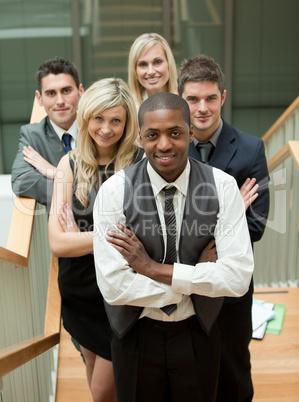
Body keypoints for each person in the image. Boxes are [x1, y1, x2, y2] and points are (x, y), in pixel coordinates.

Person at [93, 92, 254, 402]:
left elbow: (237, 279)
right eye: (152, 135)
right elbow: (114, 286)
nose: (164, 144)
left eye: (175, 133)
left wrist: (154, 270)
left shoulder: (222, 187)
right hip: (135, 334)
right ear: (140, 138)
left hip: (198, 333)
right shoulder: (115, 190)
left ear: (191, 133)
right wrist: (196, 281)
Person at [178, 54, 270, 402]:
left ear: (223, 97)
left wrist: (197, 231)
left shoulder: (250, 148)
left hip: (231, 287)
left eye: (210, 98)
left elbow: (257, 224)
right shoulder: (167, 147)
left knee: (233, 373)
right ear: (181, 99)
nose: (202, 108)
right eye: (193, 99)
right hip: (183, 284)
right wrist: (229, 209)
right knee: (190, 374)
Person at [48, 77, 143, 402]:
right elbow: (58, 244)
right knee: (91, 365)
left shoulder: (139, 164)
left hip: (118, 295)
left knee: (103, 391)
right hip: (78, 291)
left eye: (116, 120)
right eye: (99, 118)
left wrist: (83, 237)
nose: (106, 128)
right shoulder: (68, 163)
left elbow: (142, 236)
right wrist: (108, 236)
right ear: (86, 117)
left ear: (127, 122)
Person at [11, 56, 84, 213]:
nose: (60, 101)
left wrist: (56, 173)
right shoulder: (32, 135)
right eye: (51, 93)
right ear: (39, 98)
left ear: (80, 91)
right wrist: (77, 190)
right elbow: (21, 181)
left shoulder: (98, 129)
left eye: (66, 91)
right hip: (61, 233)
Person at [128, 32, 178, 110]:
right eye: (142, 64)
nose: (151, 71)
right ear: (134, 70)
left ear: (169, 63)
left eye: (157, 62)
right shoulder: (129, 111)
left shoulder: (186, 103)